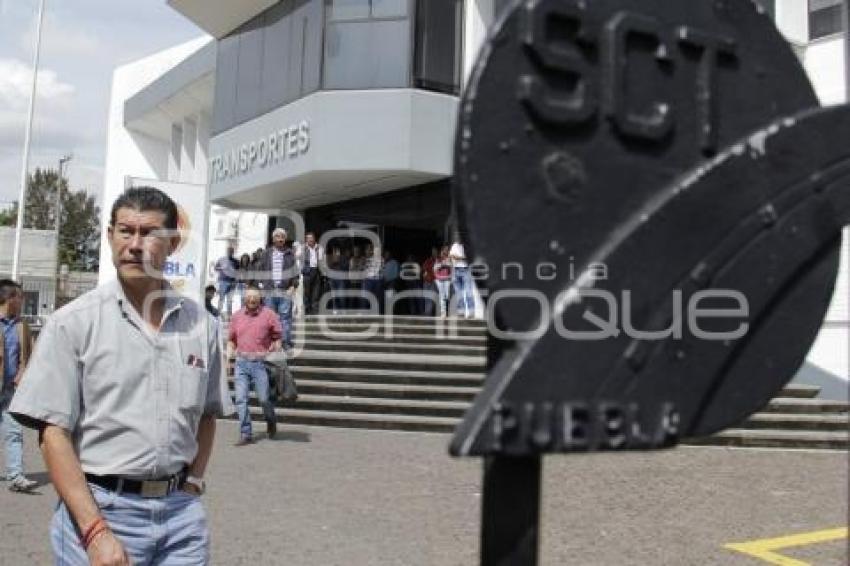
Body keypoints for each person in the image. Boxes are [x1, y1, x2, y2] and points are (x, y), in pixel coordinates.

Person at [10, 186, 233, 565]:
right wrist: (95, 531)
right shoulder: (72, 323)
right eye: (125, 231)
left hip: (181, 517)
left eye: (148, 233)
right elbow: (52, 435)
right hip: (101, 511)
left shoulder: (202, 326)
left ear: (173, 243)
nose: (134, 244)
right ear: (110, 235)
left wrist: (193, 483)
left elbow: (207, 415)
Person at [227, 286, 282, 445]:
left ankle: (271, 420)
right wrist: (228, 359)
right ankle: (246, 433)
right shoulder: (237, 316)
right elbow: (231, 340)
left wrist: (276, 345)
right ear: (245, 298)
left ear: (260, 299)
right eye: (249, 296)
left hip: (260, 364)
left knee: (264, 399)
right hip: (241, 363)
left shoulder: (269, 315)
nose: (252, 299)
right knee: (240, 399)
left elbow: (277, 337)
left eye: (255, 297)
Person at [0, 279, 37, 493]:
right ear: (9, 298)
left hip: (11, 390)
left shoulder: (22, 326)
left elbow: (31, 354)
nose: (22, 301)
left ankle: (15, 477)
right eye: (20, 297)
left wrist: (23, 371)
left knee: (14, 431)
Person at [257, 228, 297, 349]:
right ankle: (270, 342)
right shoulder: (266, 253)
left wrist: (293, 286)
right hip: (269, 290)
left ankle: (285, 342)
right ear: (273, 239)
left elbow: (295, 273)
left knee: (285, 318)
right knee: (270, 318)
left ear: (285, 239)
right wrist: (261, 285)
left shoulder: (290, 254)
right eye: (278, 237)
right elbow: (260, 270)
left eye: (282, 237)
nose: (280, 239)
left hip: (285, 290)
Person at [300, 232, 324, 316]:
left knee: (316, 292)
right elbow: (297, 257)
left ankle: (315, 311)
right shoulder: (303, 248)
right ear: (306, 240)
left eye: (311, 238)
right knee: (307, 293)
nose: (310, 240)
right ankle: (307, 310)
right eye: (308, 238)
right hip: (307, 271)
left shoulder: (319, 248)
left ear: (314, 239)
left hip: (316, 271)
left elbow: (321, 260)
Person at [214, 245, 238, 318]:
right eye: (229, 251)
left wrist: (235, 281)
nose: (230, 252)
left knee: (229, 300)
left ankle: (229, 315)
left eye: (231, 251)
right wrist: (222, 268)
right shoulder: (221, 259)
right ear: (227, 251)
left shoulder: (236, 261)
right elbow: (215, 268)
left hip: (232, 282)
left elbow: (237, 272)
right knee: (221, 298)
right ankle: (218, 314)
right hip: (223, 281)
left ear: (233, 252)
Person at [363, 244, 384, 314]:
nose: (370, 251)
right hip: (369, 281)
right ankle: (366, 313)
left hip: (377, 280)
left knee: (377, 299)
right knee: (366, 298)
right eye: (368, 249)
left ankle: (378, 314)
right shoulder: (367, 259)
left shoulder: (380, 259)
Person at [434, 246, 453, 317]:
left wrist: (444, 264)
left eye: (446, 250)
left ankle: (449, 310)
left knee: (448, 296)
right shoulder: (438, 259)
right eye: (443, 250)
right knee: (442, 296)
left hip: (447, 279)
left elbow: (451, 266)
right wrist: (442, 264)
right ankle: (443, 312)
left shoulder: (449, 259)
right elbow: (435, 268)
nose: (444, 252)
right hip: (440, 279)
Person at [421, 247, 439, 317]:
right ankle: (427, 312)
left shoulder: (439, 260)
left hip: (435, 280)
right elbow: (423, 268)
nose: (434, 253)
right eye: (433, 251)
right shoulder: (428, 260)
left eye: (435, 251)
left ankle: (430, 312)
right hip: (427, 280)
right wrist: (424, 273)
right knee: (427, 297)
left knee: (433, 297)